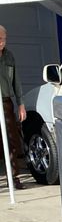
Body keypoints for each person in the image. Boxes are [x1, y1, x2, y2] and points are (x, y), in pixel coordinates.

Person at [0, 25, 26, 189]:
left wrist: (21, 104)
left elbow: (16, 81)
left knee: (12, 140)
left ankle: (14, 177)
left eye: (4, 39)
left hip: (6, 102)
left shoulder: (9, 56)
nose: (2, 43)